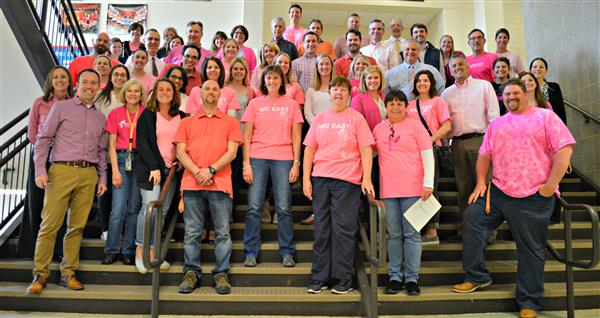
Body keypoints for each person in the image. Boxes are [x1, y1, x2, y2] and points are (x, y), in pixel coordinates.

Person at [453, 78, 574, 318]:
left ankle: (529, 301)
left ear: (527, 93)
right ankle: (477, 276)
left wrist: (550, 186)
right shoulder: (497, 124)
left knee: (530, 249)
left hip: (533, 194)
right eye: (506, 95)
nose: (510, 98)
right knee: (472, 218)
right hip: (499, 191)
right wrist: (480, 182)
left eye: (515, 93)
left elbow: (565, 149)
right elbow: (485, 155)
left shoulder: (545, 117)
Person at [27, 69, 108, 294]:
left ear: (98, 86)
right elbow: (43, 140)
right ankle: (40, 274)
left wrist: (102, 178)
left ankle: (68, 273)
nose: (89, 86)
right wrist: (40, 170)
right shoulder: (60, 108)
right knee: (50, 225)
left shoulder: (100, 118)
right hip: (61, 171)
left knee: (76, 227)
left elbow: (102, 151)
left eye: (94, 83)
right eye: (85, 82)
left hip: (87, 174)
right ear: (77, 84)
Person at [304, 76, 374, 295]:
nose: (339, 93)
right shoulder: (320, 118)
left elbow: (366, 150)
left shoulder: (357, 118)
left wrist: (367, 178)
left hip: (347, 181)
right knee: (322, 230)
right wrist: (306, 178)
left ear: (348, 94)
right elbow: (309, 150)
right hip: (321, 179)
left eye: (343, 90)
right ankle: (319, 277)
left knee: (343, 231)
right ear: (329, 93)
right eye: (335, 89)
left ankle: (343, 279)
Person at [175, 80, 243, 295]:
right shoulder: (187, 122)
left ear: (220, 94)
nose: (211, 92)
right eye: (207, 88)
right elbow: (180, 152)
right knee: (192, 232)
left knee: (222, 233)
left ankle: (221, 274)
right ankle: (191, 273)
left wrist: (211, 170)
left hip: (220, 184)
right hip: (192, 183)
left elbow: (232, 153)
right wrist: (197, 172)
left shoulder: (230, 122)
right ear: (199, 94)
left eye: (215, 89)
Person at [241, 64, 303, 267]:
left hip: (284, 158)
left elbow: (296, 136)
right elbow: (247, 136)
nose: (272, 82)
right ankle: (251, 252)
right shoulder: (255, 104)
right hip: (258, 157)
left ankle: (287, 252)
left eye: (276, 78)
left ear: (282, 81)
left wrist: (296, 163)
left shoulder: (291, 104)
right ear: (263, 81)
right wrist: (246, 164)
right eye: (269, 78)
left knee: (284, 207)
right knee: (254, 207)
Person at [374, 90, 434, 296]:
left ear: (405, 106)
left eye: (400, 103)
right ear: (386, 106)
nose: (396, 107)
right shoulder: (378, 129)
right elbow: (370, 153)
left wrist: (428, 183)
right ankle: (394, 277)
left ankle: (411, 278)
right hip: (388, 190)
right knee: (394, 235)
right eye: (391, 104)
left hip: (414, 188)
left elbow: (428, 155)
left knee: (412, 234)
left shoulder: (416, 126)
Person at [441, 52, 499, 241]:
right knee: (463, 187)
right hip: (457, 144)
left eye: (460, 65)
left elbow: (494, 117)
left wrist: (491, 144)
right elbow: (444, 122)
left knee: (485, 185)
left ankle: (488, 230)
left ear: (467, 66)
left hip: (480, 141)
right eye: (454, 66)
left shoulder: (484, 86)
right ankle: (467, 229)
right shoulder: (447, 93)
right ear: (450, 71)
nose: (457, 68)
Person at [17, 66, 73, 258]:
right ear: (50, 81)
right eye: (56, 77)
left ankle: (58, 250)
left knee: (59, 206)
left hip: (64, 159)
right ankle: (33, 248)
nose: (59, 80)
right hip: (42, 158)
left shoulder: (74, 103)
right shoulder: (39, 103)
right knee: (37, 202)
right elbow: (33, 134)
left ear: (69, 81)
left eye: (63, 77)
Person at [134, 79, 185, 274]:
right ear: (155, 93)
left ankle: (153, 254)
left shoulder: (181, 115)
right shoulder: (148, 114)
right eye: (161, 89)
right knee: (149, 209)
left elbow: (183, 142)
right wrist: (154, 167)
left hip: (172, 172)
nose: (164, 92)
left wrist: (180, 160)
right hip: (151, 170)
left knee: (162, 212)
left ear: (174, 94)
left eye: (168, 90)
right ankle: (140, 252)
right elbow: (143, 143)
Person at [102, 80, 146, 265]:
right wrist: (114, 171)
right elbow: (111, 145)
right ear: (124, 93)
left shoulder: (147, 113)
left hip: (140, 162)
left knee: (133, 209)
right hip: (121, 160)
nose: (133, 94)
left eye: (137, 91)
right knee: (118, 209)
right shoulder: (115, 113)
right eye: (130, 91)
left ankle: (128, 250)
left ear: (141, 94)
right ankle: (111, 249)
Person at [407, 70, 452, 244]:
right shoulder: (410, 104)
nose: (422, 83)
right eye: (419, 81)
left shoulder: (438, 101)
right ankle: (417, 228)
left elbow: (446, 126)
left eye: (426, 80)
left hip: (430, 149)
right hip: (411, 152)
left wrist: (428, 140)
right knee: (415, 188)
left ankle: (432, 230)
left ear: (431, 83)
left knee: (430, 186)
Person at [94, 65, 131, 240]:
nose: (119, 78)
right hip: (103, 151)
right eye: (116, 74)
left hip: (123, 153)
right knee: (105, 190)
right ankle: (106, 228)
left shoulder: (130, 98)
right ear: (111, 77)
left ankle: (120, 229)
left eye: (123, 75)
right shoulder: (101, 98)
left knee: (121, 193)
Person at [530, 57, 567, 124]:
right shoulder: (527, 88)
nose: (538, 69)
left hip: (552, 123)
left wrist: (563, 125)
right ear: (530, 70)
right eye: (535, 67)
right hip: (534, 124)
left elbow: (560, 109)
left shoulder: (554, 87)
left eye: (541, 67)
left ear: (546, 70)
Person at [351, 66, 386, 131]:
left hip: (387, 135)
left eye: (376, 78)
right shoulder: (357, 99)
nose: (373, 80)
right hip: (369, 137)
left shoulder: (385, 97)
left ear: (381, 80)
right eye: (369, 78)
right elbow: (356, 123)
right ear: (364, 80)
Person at [304, 55, 334, 125]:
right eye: (321, 64)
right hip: (316, 127)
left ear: (332, 67)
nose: (324, 67)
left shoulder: (337, 89)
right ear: (317, 68)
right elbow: (307, 113)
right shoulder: (310, 90)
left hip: (335, 126)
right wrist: (318, 126)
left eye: (327, 64)